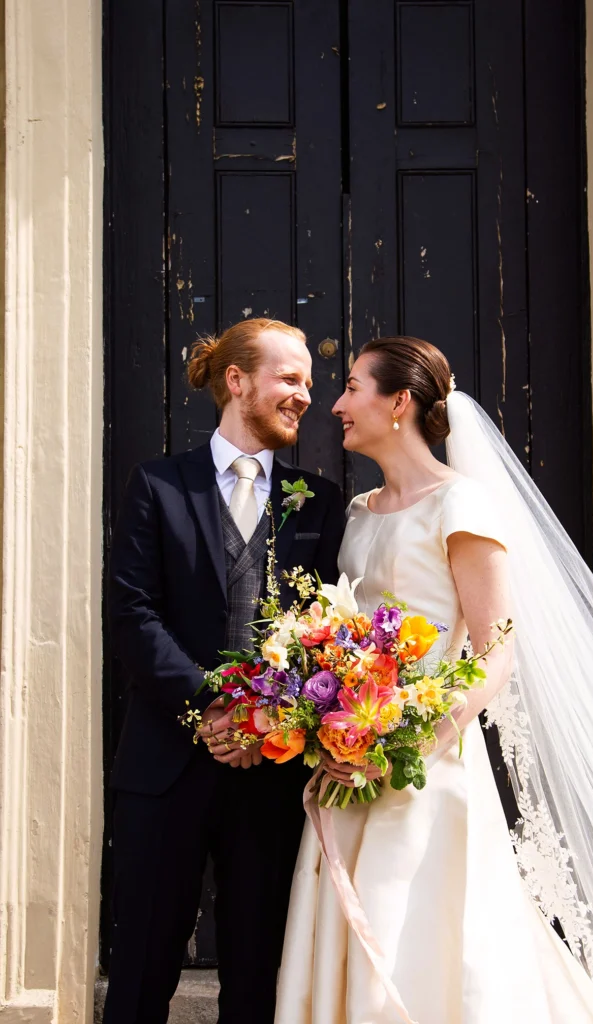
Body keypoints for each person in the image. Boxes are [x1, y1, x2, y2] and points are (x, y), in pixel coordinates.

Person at [274, 336, 593, 1024]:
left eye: (351, 387)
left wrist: (410, 739)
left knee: (424, 939)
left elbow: (497, 651)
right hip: (348, 765)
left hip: (423, 768)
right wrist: (336, 724)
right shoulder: (357, 510)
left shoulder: (460, 506)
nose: (336, 405)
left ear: (398, 401)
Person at [103, 318, 345, 1024]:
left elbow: (326, 631)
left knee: (257, 975)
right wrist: (214, 707)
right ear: (236, 381)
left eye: (309, 380)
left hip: (270, 773)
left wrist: (266, 720)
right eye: (290, 378)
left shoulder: (318, 500)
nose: (305, 394)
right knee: (142, 967)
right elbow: (133, 613)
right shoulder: (157, 484)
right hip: (165, 766)